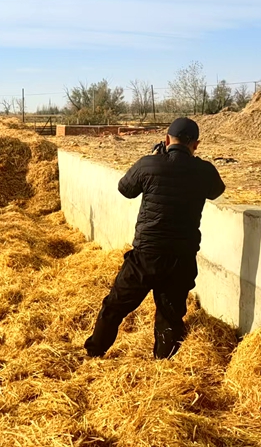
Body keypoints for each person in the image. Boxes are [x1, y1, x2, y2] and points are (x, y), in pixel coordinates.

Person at [84, 118, 225, 359]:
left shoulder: (149, 164)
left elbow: (125, 189)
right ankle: (163, 362)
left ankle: (95, 352)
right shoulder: (204, 171)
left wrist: (153, 158)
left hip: (145, 256)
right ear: (196, 145)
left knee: (114, 306)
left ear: (167, 140)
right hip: (181, 258)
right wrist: (193, 165)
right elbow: (217, 191)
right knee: (169, 316)